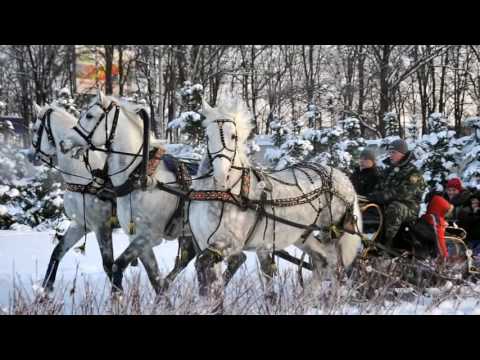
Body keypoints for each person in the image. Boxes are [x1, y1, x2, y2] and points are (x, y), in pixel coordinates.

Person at [365, 139, 426, 249]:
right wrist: (373, 196)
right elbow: (378, 187)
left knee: (395, 208)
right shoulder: (388, 171)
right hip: (387, 203)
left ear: (402, 154)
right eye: (390, 152)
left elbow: (405, 193)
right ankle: (367, 239)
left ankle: (388, 244)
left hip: (409, 207)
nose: (390, 155)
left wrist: (382, 197)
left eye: (393, 152)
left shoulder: (413, 173)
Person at [421, 195, 454, 260]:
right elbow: (439, 240)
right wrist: (445, 256)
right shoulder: (436, 221)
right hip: (431, 256)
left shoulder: (426, 216)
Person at [458, 191, 480, 256]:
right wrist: (474, 214)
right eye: (473, 202)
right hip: (470, 239)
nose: (474, 205)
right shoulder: (466, 211)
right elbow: (465, 225)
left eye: (477, 203)